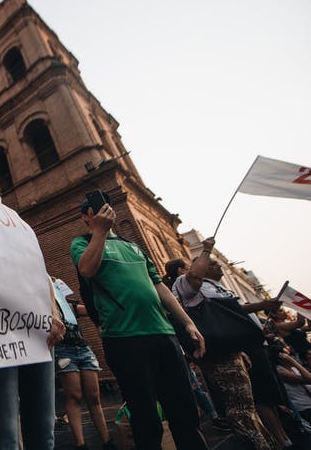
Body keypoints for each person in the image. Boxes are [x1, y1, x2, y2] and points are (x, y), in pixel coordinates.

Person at [70, 191, 208, 450]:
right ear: (86, 216)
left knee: (185, 413)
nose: (104, 209)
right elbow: (87, 270)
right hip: (123, 338)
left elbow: (159, 286)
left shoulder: (133, 246)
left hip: (163, 333)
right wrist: (100, 232)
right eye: (95, 208)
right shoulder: (81, 242)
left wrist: (187, 322)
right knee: (146, 419)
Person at [0, 178, 66, 450]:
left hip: (37, 332)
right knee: (3, 432)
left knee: (44, 428)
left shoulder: (21, 229)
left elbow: (41, 271)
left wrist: (53, 309)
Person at [172, 239, 277, 449]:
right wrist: (207, 249)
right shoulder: (185, 282)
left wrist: (237, 350)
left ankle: (268, 443)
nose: (218, 265)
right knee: (239, 406)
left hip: (230, 351)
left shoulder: (215, 288)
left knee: (247, 403)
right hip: (214, 352)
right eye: (211, 263)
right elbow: (194, 276)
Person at [51, 276, 116, 450]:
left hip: (83, 347)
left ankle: (107, 441)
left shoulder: (68, 306)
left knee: (94, 396)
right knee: (74, 396)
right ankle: (81, 444)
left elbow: (89, 310)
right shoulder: (46, 305)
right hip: (63, 350)